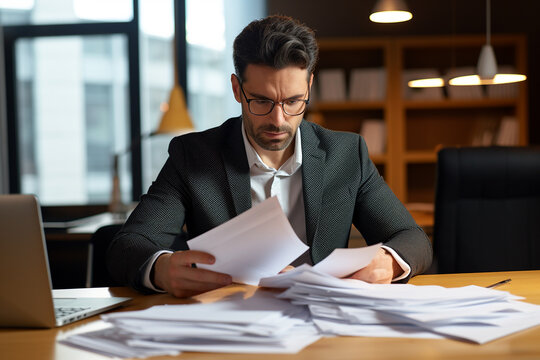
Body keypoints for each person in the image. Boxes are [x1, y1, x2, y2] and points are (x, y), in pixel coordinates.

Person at [107, 15, 432, 298]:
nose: (278, 120)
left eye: (293, 101)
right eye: (261, 101)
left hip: (324, 324)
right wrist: (161, 268)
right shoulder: (193, 156)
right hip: (230, 323)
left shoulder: (346, 154)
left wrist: (387, 261)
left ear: (309, 87)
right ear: (237, 89)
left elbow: (412, 239)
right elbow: (129, 244)